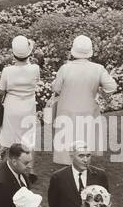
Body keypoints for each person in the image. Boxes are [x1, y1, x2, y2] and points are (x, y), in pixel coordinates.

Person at [48, 36, 118, 165]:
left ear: (73, 51)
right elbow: (112, 86)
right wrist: (99, 89)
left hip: (67, 110)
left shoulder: (65, 68)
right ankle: (82, 168)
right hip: (87, 110)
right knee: (84, 141)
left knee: (67, 142)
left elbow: (56, 88)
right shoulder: (98, 68)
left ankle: (70, 173)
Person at [0, 36, 41, 152]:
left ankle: (11, 163)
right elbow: (36, 82)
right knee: (26, 139)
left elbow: (1, 91)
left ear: (13, 54)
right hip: (28, 106)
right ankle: (25, 162)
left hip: (12, 106)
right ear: (28, 54)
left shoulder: (7, 71)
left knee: (10, 142)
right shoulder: (35, 69)